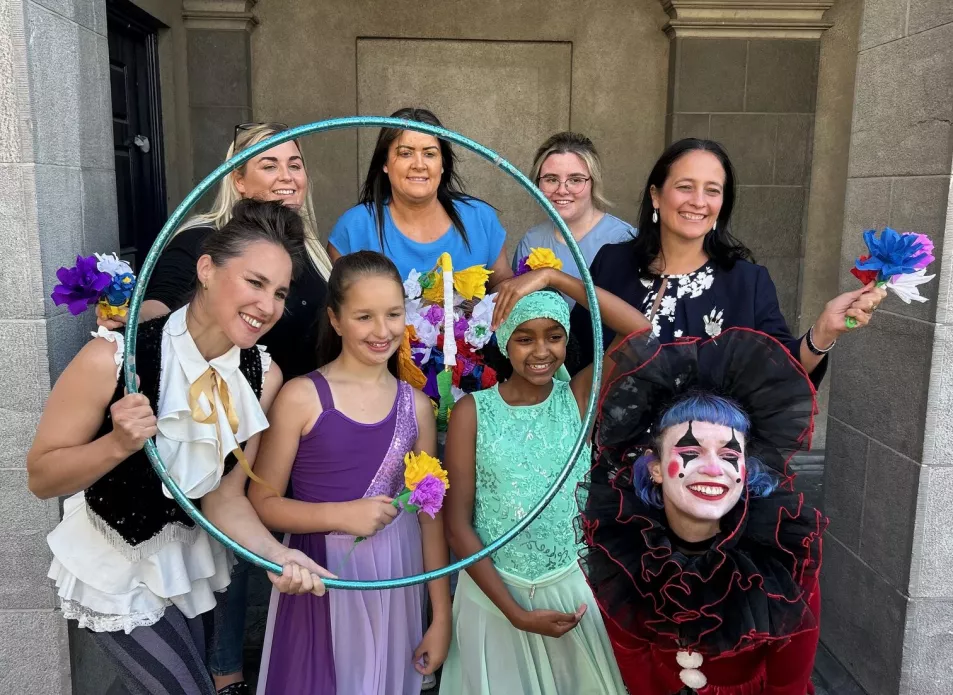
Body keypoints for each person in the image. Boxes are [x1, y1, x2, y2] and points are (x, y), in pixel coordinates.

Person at [27, 200, 331, 695]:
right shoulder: (116, 356)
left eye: (280, 292)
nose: (268, 306)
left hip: (185, 567)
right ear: (207, 269)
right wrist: (117, 444)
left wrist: (280, 556)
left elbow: (225, 498)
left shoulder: (262, 375)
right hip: (113, 569)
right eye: (254, 282)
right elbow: (40, 477)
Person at [98, 122, 335, 693]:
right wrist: (131, 348)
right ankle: (225, 670)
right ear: (237, 176)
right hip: (207, 431)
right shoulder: (201, 242)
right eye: (269, 163)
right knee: (222, 564)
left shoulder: (313, 252)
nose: (287, 175)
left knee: (251, 550)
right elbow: (159, 309)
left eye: (295, 163)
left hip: (281, 420)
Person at [578, 327, 825, 694]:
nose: (713, 469)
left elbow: (788, 681)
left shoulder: (784, 558)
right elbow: (634, 659)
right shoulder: (623, 554)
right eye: (691, 452)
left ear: (745, 469)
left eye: (729, 455)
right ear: (656, 467)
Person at [439, 269, 652, 694]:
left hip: (569, 587)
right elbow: (458, 525)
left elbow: (641, 332)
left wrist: (554, 278)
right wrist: (514, 612)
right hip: (493, 594)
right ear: (504, 341)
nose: (542, 350)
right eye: (525, 338)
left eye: (554, 336)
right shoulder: (473, 412)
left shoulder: (577, 398)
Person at [250, 251, 451, 695]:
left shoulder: (416, 406)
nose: (383, 331)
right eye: (364, 317)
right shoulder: (301, 397)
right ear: (336, 320)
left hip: (396, 577)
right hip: (318, 573)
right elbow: (261, 504)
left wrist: (440, 616)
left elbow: (428, 517)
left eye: (394, 314)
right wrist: (340, 515)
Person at [567, 138, 886, 381]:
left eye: (713, 190)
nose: (698, 202)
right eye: (685, 187)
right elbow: (573, 356)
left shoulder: (747, 281)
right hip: (614, 460)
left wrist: (824, 331)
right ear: (656, 195)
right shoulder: (612, 263)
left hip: (710, 463)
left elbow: (781, 369)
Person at [328, 107, 512, 288]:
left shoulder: (480, 218)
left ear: (442, 165)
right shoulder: (354, 227)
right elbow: (340, 305)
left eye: (429, 154)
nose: (419, 164)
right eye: (405, 153)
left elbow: (504, 290)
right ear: (385, 163)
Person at [512, 132, 634, 308]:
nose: (562, 190)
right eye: (551, 179)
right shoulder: (532, 240)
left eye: (575, 180)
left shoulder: (623, 239)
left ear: (593, 182)